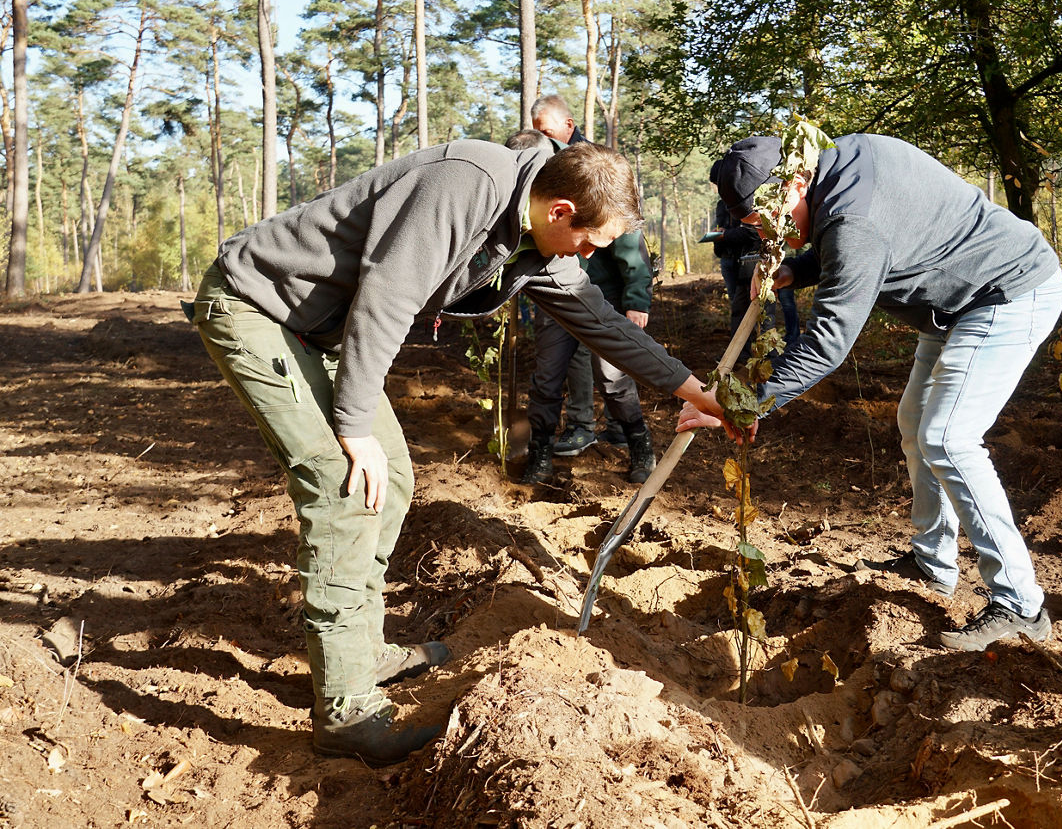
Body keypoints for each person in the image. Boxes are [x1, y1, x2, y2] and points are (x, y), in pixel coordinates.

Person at [186, 138, 722, 766]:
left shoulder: (535, 240)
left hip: (320, 327)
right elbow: (387, 296)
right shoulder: (466, 185)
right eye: (590, 241)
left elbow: (599, 321)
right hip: (259, 307)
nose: (589, 255)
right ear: (562, 211)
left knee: (394, 482)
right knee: (343, 484)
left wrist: (695, 391)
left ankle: (358, 652)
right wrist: (353, 423)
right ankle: (346, 711)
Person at [683, 132, 1062, 652]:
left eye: (766, 218)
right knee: (917, 426)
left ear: (795, 181)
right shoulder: (843, 158)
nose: (768, 233)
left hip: (1006, 292)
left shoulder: (853, 226)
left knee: (948, 438)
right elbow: (873, 232)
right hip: (955, 301)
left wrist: (753, 403)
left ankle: (1022, 604)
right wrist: (798, 269)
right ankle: (933, 565)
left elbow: (828, 340)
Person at [525, 97, 658, 475]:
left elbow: (630, 243)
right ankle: (540, 454)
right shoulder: (543, 168)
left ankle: (639, 447)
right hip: (553, 292)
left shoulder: (599, 166)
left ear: (568, 125)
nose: (540, 137)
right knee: (548, 377)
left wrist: (636, 299)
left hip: (603, 295)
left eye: (546, 131)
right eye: (536, 131)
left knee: (614, 377)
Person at [709, 196, 800, 356]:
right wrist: (721, 238)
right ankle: (740, 354)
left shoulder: (756, 202)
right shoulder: (722, 206)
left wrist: (727, 235)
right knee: (739, 309)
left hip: (761, 260)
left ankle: (770, 354)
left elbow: (751, 232)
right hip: (741, 264)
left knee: (767, 310)